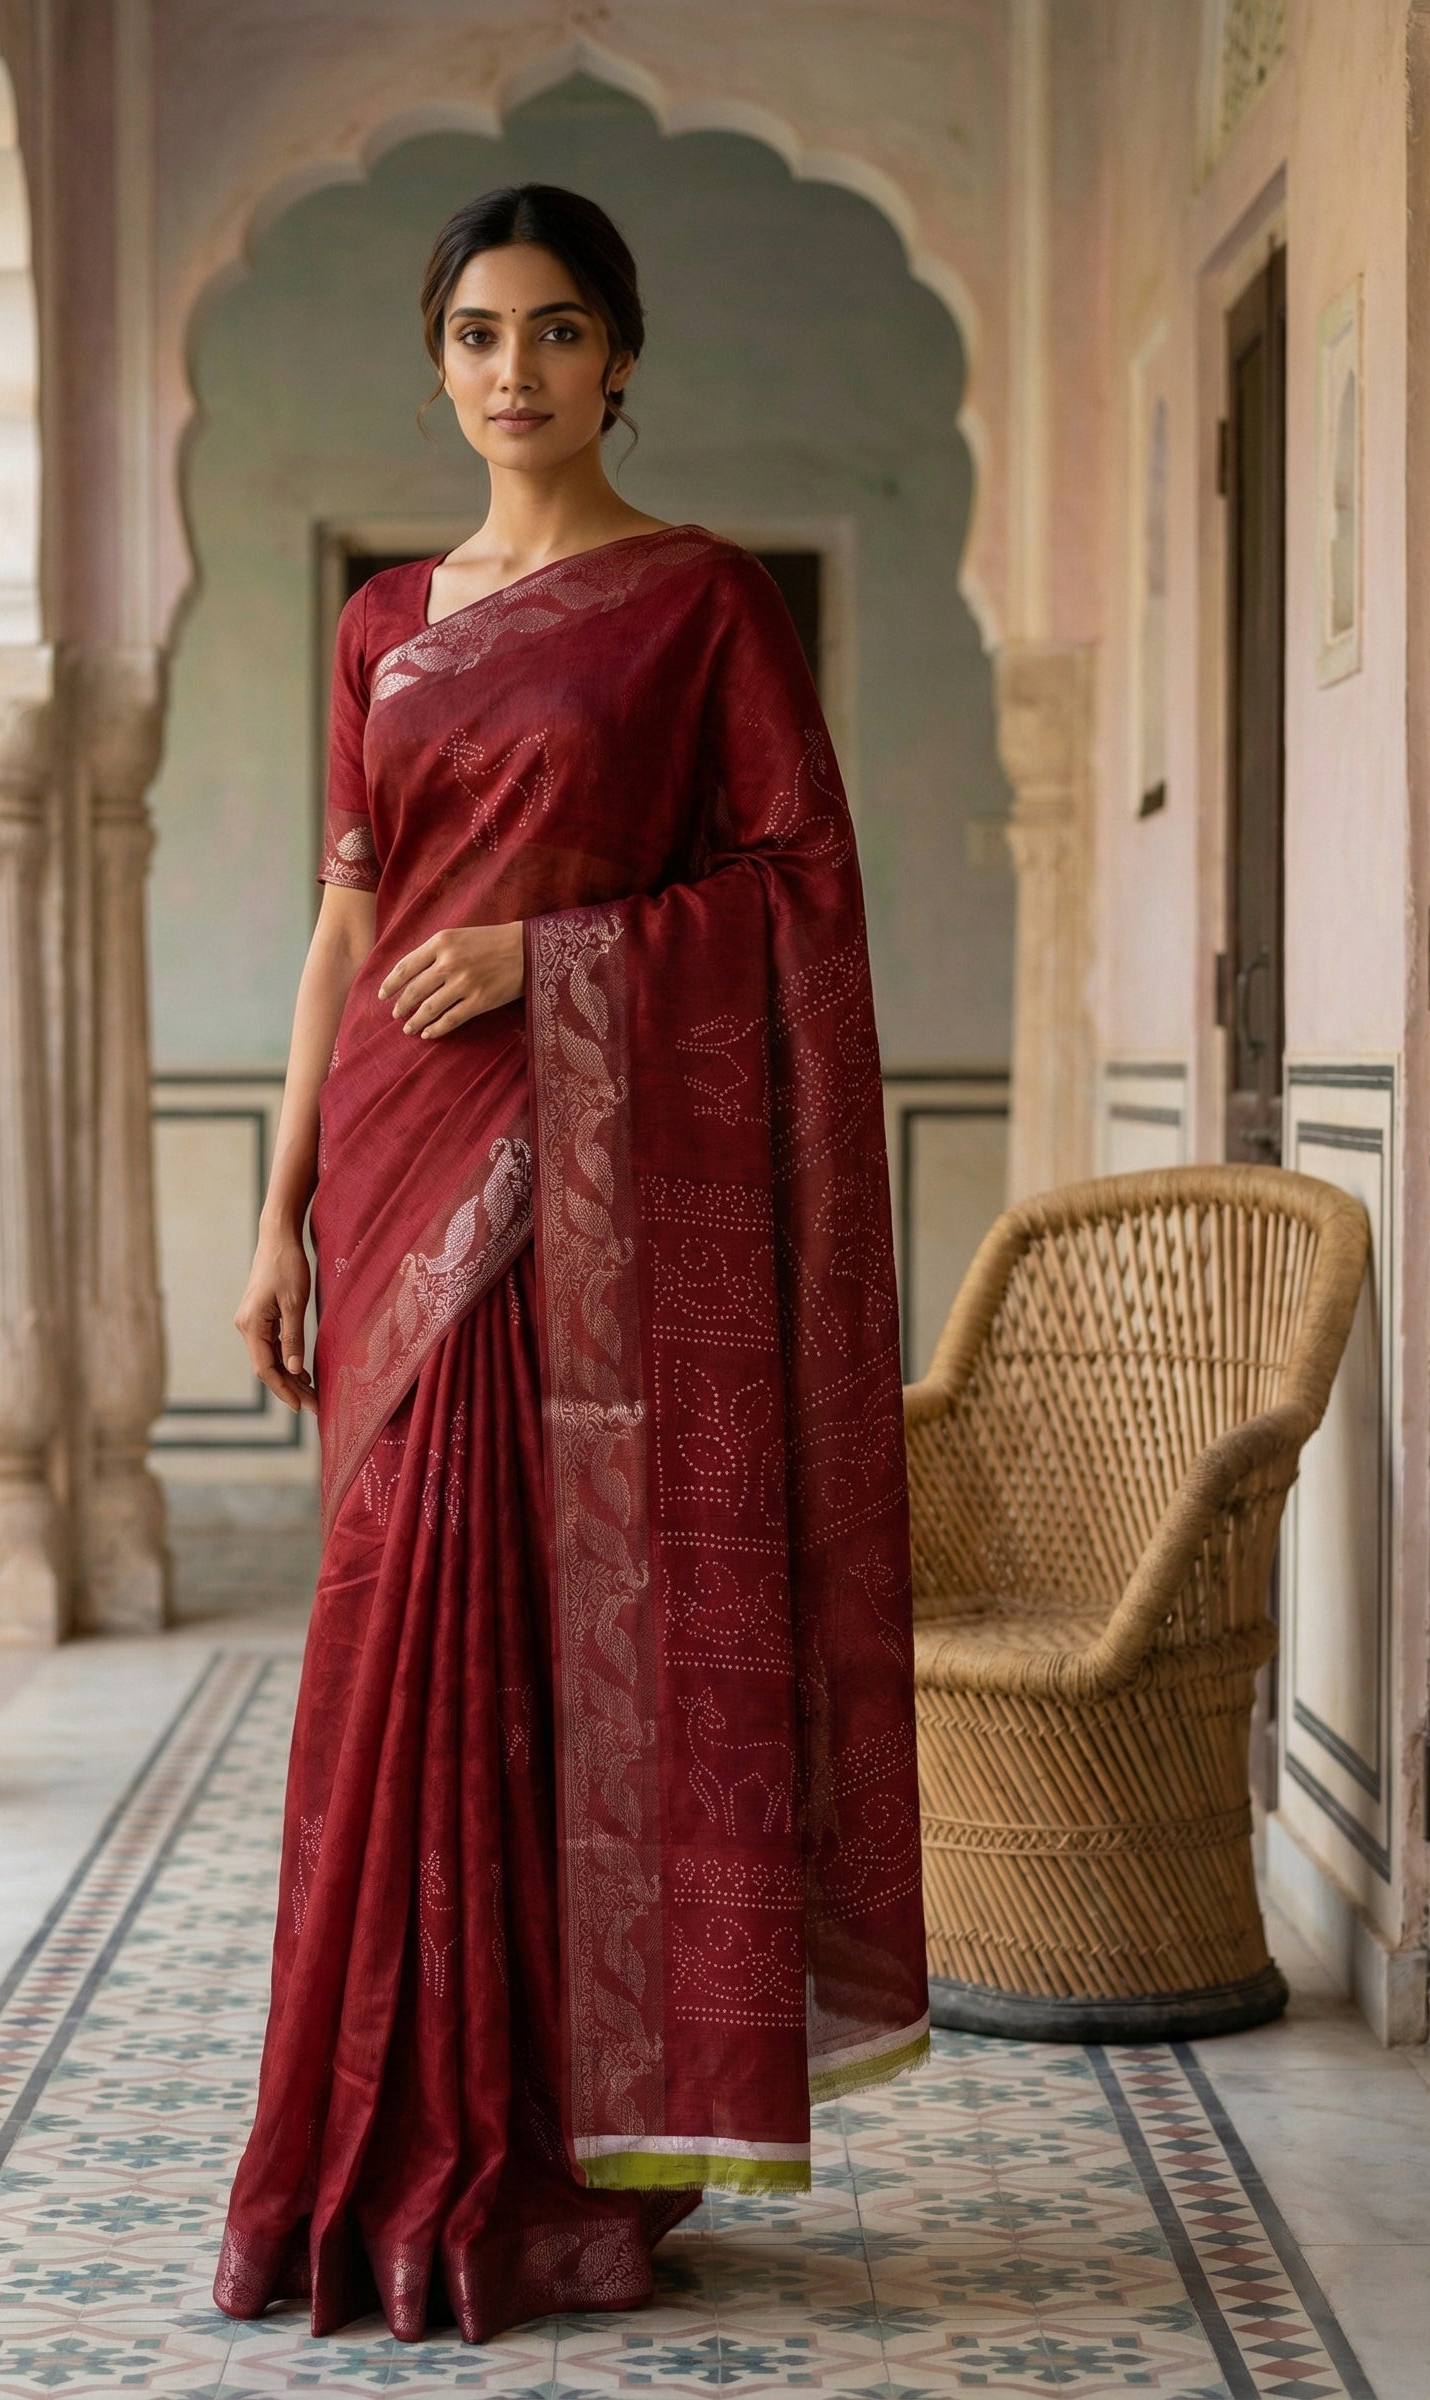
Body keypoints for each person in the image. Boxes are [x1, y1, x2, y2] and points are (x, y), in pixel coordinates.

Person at [214, 181, 927, 2348]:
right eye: (472, 333)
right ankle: (378, 2153)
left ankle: (555, 2161)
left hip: (597, 1190)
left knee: (576, 1647)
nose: (509, 370)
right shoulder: (384, 621)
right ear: (434, 362)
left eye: (550, 330)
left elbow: (795, 889)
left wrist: (552, 958)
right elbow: (347, 923)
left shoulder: (700, 604)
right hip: (393, 1172)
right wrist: (276, 1207)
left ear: (620, 355)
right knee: (397, 1646)